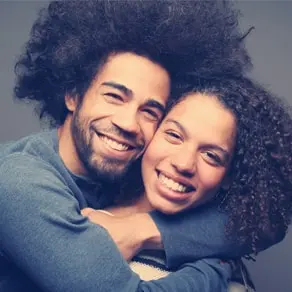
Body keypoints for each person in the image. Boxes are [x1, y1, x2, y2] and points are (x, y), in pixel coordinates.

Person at [0, 0, 256, 291]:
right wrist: (214, 269)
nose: (129, 123)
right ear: (72, 94)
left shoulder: (131, 174)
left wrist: (143, 231)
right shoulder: (19, 182)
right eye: (114, 96)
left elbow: (255, 226)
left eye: (150, 111)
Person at [84, 76, 291, 290]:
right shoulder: (79, 195)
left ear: (229, 177)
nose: (184, 164)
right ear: (153, 130)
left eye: (211, 156)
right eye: (174, 135)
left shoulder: (224, 279)